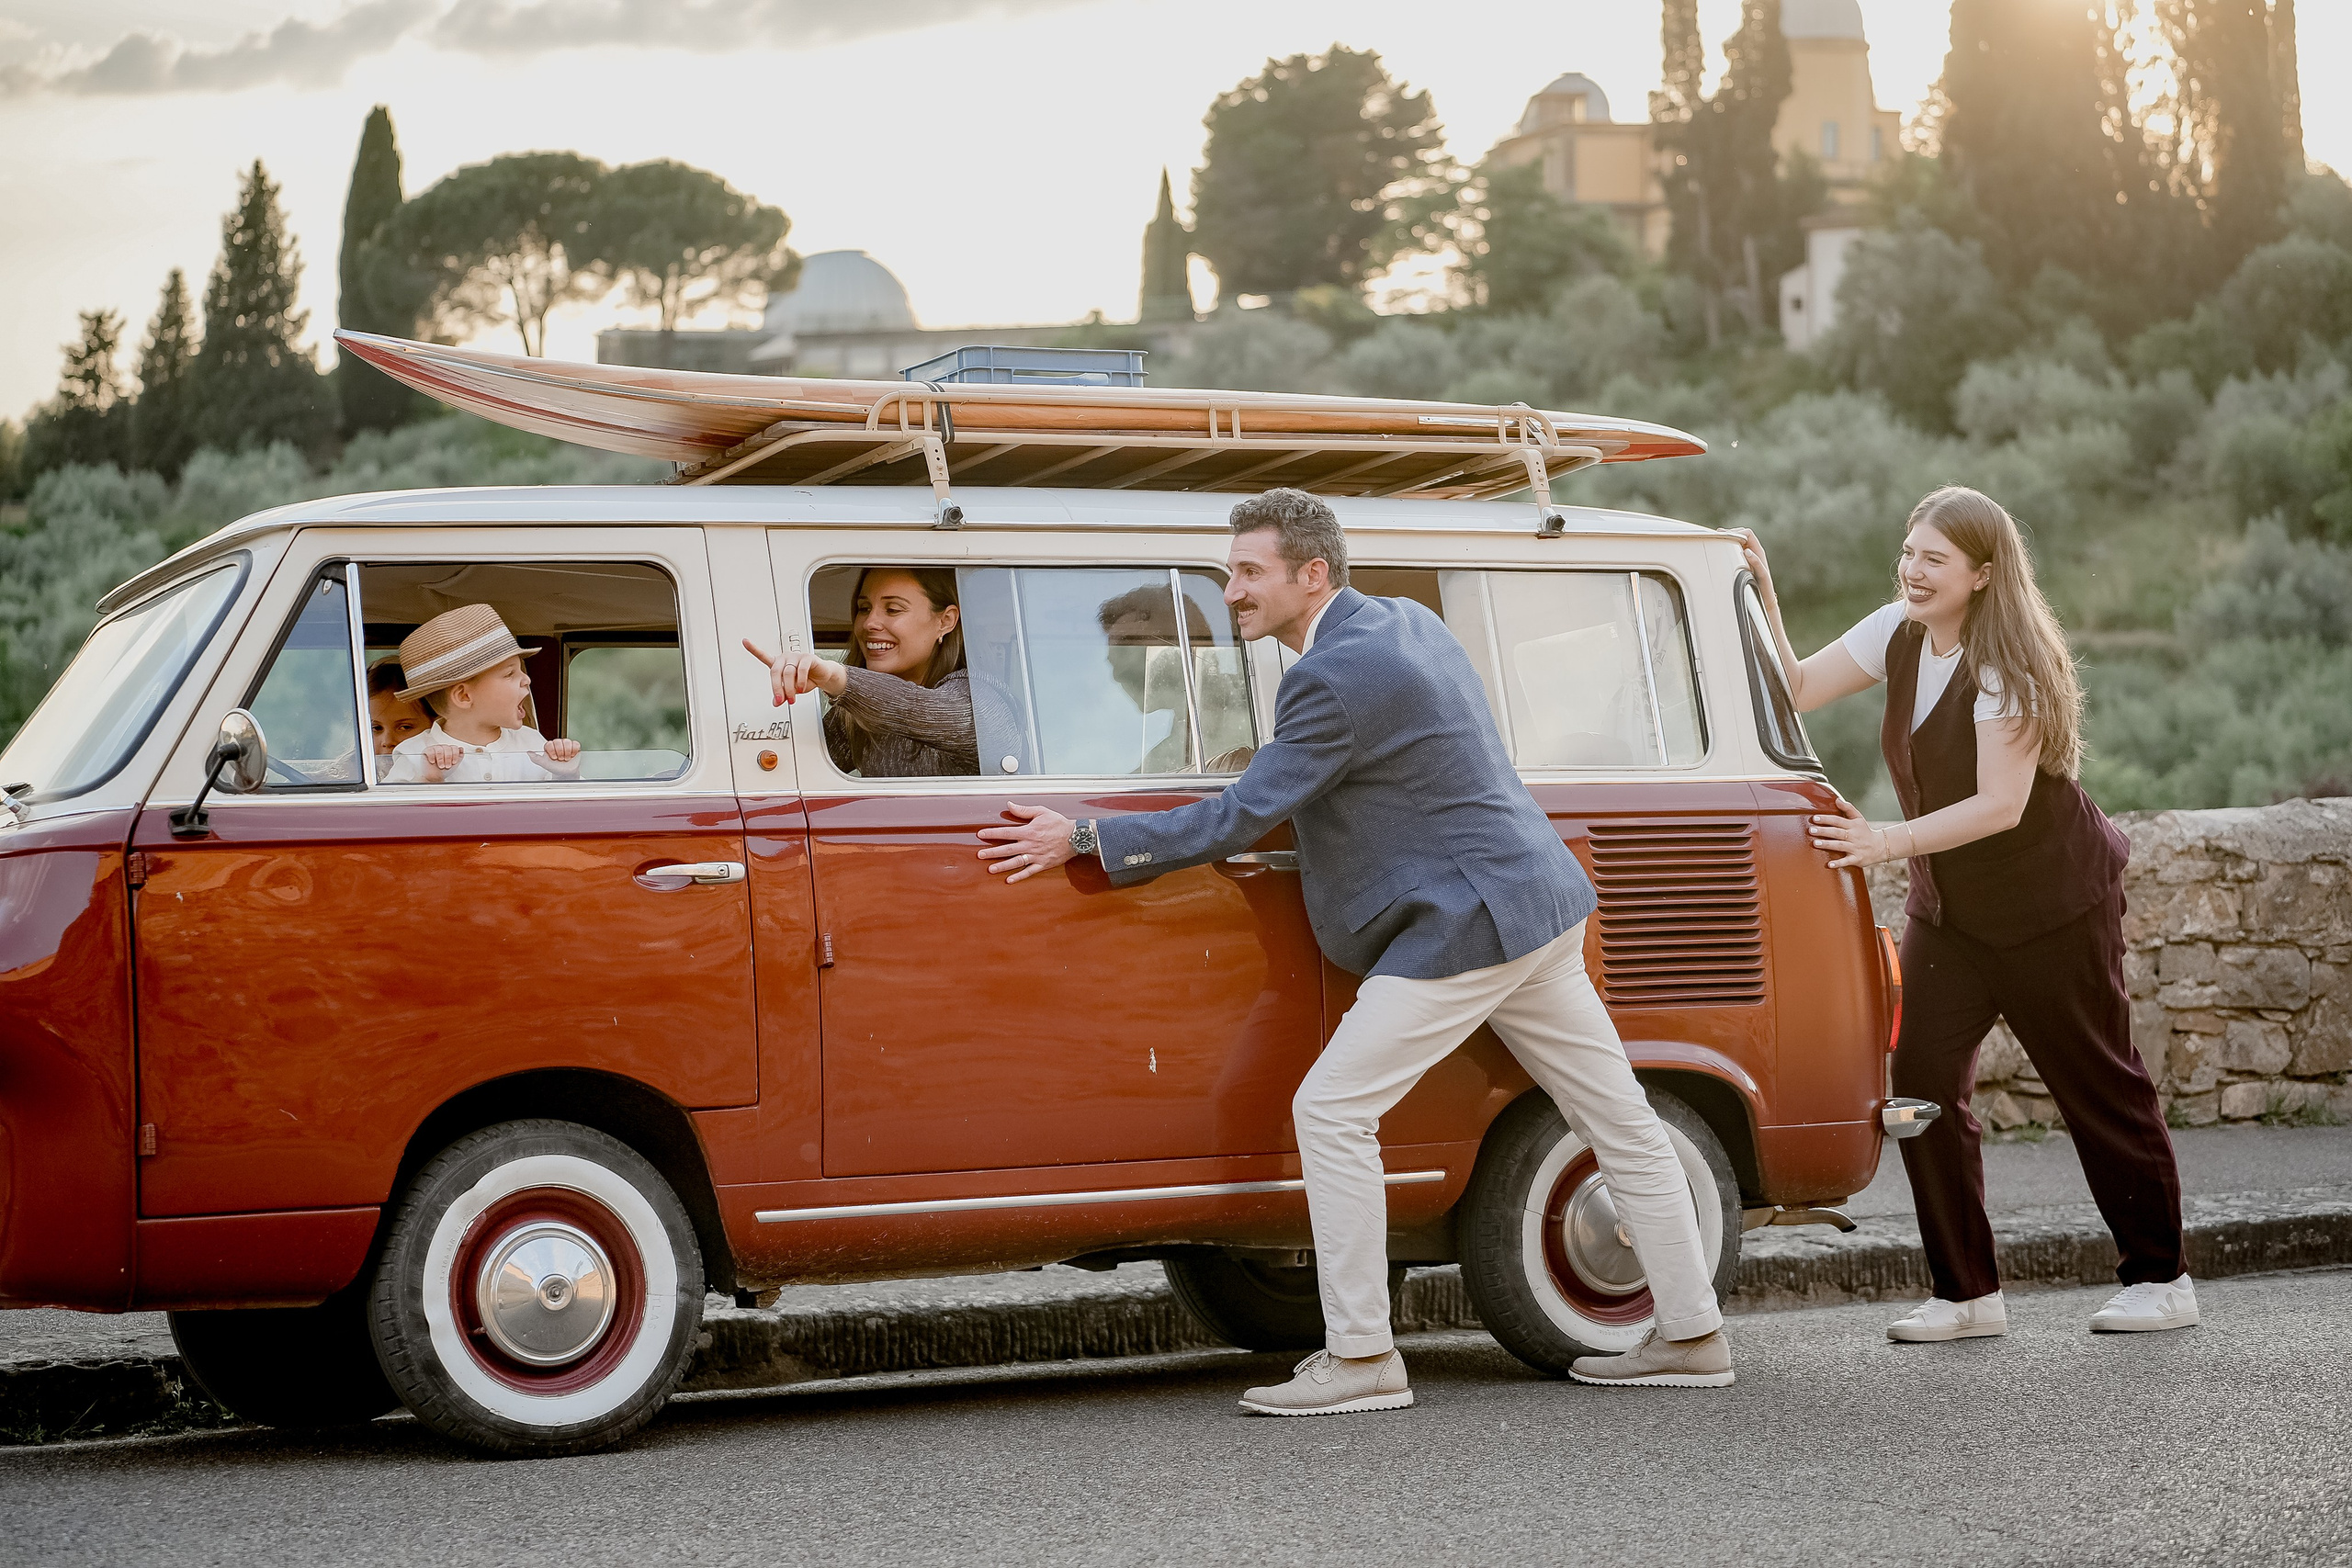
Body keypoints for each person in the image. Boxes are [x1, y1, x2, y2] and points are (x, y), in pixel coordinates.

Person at [978, 488, 1731, 1413]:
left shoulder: (1329, 679)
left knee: (1332, 1111)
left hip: (1467, 926)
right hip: (1536, 903)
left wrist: (1086, 838)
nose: (1232, 590)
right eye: (1231, 571)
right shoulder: (1402, 622)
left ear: (1312, 575)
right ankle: (1692, 1332)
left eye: (1250, 572)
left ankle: (1365, 1359)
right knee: (1618, 1121)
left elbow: (1246, 813)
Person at [1738, 486, 2195, 1340]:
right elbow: (1796, 687)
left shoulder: (2005, 668)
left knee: (2098, 1083)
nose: (1913, 571)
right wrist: (1757, 586)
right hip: (1953, 912)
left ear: (1981, 575)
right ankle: (1966, 1294)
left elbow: (1998, 807)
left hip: (2053, 906)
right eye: (1909, 552)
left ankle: (2162, 1278)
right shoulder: (1897, 632)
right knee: (1920, 1087)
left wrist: (1884, 840)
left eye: (1934, 559)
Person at [744, 567, 983, 777]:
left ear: (945, 621)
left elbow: (922, 708)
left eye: (892, 609)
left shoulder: (978, 698)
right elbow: (792, 767)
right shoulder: (853, 714)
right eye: (864, 608)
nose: (869, 623)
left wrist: (836, 677)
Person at [382, 604, 583, 784]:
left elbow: (561, 816)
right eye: (510, 674)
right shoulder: (414, 753)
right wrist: (428, 780)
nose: (527, 680)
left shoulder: (531, 741)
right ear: (464, 696)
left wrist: (565, 775)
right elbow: (391, 818)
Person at [368, 660, 431, 773]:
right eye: (376, 728)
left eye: (405, 727)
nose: (387, 742)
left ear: (436, 723)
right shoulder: (347, 777)